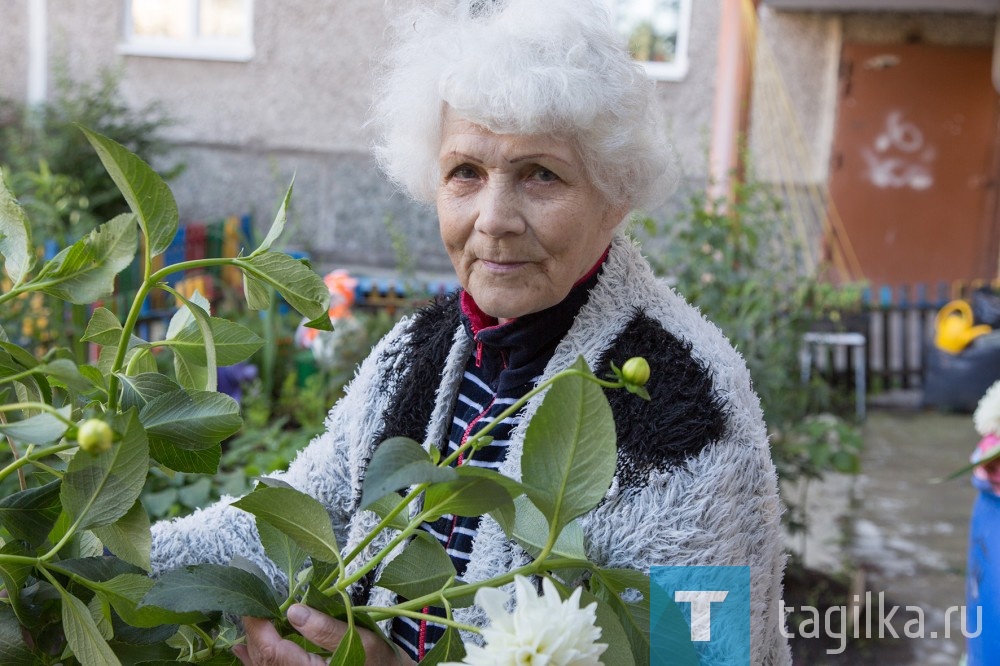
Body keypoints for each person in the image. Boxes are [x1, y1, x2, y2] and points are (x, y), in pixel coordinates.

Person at [150, 0, 791, 663]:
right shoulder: (414, 354)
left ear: (615, 193)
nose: (494, 219)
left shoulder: (686, 398)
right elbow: (297, 516)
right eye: (466, 172)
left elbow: (702, 655)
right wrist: (97, 562)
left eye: (541, 174)